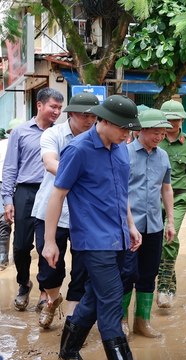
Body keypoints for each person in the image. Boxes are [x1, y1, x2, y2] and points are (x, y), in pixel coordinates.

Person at [42, 94, 163, 360]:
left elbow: (121, 194)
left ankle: (67, 354)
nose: (127, 134)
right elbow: (57, 195)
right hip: (93, 241)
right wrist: (48, 242)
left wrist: (132, 227)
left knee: (94, 299)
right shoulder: (78, 150)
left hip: (119, 237)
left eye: (130, 129)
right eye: (122, 128)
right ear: (104, 121)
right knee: (110, 302)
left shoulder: (120, 149)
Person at [32, 93, 99, 329]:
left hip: (85, 216)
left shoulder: (99, 139)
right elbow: (50, 163)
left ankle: (72, 321)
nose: (90, 120)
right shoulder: (54, 134)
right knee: (49, 269)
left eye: (93, 115)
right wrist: (83, 175)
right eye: (84, 115)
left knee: (82, 270)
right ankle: (52, 297)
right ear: (71, 114)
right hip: (51, 213)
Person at [3, 88, 64, 312]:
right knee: (20, 246)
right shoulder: (20, 132)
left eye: (59, 108)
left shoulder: (61, 134)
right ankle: (24, 283)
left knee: (46, 243)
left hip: (51, 192)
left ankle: (44, 291)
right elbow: (10, 167)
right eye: (53, 107)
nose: (57, 112)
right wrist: (7, 199)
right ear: (39, 105)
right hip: (26, 192)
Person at [121, 108, 176, 338]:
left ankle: (142, 322)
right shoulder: (123, 153)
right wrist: (128, 224)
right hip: (127, 226)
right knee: (126, 273)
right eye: (156, 132)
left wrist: (170, 221)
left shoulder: (162, 156)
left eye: (163, 133)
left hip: (154, 225)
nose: (160, 137)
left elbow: (166, 188)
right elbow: (120, 192)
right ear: (140, 130)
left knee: (148, 273)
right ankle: (120, 321)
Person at [156, 99, 186, 308]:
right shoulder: (153, 140)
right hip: (152, 199)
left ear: (182, 120)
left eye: (176, 120)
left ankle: (163, 286)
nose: (172, 123)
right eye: (168, 120)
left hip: (178, 198)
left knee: (170, 236)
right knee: (155, 240)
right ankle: (170, 281)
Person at [0, 118, 24, 270]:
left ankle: (14, 255)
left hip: (21, 186)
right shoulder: (4, 145)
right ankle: (4, 256)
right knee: (4, 221)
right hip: (4, 185)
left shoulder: (24, 145)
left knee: (16, 222)